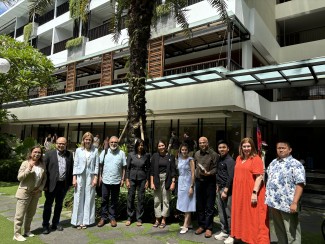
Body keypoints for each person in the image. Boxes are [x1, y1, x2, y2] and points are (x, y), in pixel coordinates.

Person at [265, 141, 306, 244]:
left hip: (288, 204)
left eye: (283, 148)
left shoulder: (296, 164)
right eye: (279, 148)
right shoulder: (274, 162)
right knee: (279, 229)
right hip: (274, 203)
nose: (281, 150)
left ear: (290, 150)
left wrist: (295, 202)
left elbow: (300, 184)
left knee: (292, 232)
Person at [231, 137, 269, 244]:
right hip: (240, 192)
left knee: (254, 218)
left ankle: (256, 240)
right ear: (241, 147)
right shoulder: (239, 158)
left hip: (252, 192)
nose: (246, 148)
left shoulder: (256, 159)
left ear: (252, 147)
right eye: (244, 146)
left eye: (248, 146)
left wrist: (254, 193)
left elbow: (259, 177)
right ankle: (244, 237)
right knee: (243, 215)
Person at [13, 146, 47, 241]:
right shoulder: (25, 163)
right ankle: (16, 234)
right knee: (20, 215)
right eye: (35, 152)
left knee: (30, 214)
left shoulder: (42, 164)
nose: (37, 154)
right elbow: (19, 178)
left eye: (39, 152)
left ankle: (27, 231)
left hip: (35, 193)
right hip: (24, 192)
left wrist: (40, 189)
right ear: (31, 153)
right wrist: (28, 169)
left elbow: (44, 179)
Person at [42, 137, 74, 234]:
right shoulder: (48, 154)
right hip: (51, 185)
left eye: (63, 144)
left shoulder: (69, 155)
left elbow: (71, 170)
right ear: (56, 144)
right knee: (48, 205)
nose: (61, 145)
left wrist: (69, 184)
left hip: (63, 185)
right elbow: (45, 171)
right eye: (59, 143)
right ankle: (45, 225)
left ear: (66, 144)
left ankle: (55, 223)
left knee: (59, 205)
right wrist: (45, 185)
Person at [71, 132, 99, 229]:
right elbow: (75, 164)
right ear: (83, 140)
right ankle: (78, 221)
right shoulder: (79, 150)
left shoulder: (95, 151)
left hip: (90, 176)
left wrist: (95, 178)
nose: (87, 141)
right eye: (86, 139)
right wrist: (74, 178)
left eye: (89, 139)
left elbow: (96, 165)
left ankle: (86, 221)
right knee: (78, 196)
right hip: (80, 175)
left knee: (89, 197)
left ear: (92, 141)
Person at [97, 136, 126, 228]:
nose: (113, 144)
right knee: (104, 200)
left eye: (115, 142)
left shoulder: (121, 153)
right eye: (112, 142)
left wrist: (123, 179)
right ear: (109, 143)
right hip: (105, 180)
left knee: (114, 201)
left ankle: (112, 218)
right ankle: (103, 218)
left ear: (118, 143)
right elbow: (100, 165)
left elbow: (124, 167)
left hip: (116, 181)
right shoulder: (104, 152)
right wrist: (100, 176)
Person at [194, 136, 219, 238]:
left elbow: (216, 168)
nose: (202, 144)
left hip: (209, 182)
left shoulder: (214, 154)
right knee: (200, 205)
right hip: (199, 182)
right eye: (200, 143)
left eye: (204, 142)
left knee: (209, 206)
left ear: (207, 143)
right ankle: (201, 225)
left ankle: (209, 228)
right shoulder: (196, 154)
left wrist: (209, 173)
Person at [150, 140, 176, 228]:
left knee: (166, 200)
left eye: (162, 145)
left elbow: (173, 171)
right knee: (156, 200)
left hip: (167, 179)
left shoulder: (170, 156)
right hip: (157, 179)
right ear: (157, 147)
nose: (161, 147)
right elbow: (152, 171)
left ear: (165, 146)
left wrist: (173, 182)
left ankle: (164, 219)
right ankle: (157, 219)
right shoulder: (155, 156)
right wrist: (152, 182)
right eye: (159, 146)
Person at [125, 138, 150, 227]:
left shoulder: (146, 155)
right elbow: (127, 168)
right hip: (132, 178)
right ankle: (129, 217)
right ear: (136, 146)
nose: (140, 147)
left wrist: (147, 180)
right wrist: (127, 179)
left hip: (142, 179)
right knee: (130, 197)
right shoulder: (131, 155)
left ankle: (139, 218)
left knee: (141, 198)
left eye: (142, 145)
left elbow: (148, 169)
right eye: (139, 145)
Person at [214, 140, 235, 243]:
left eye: (223, 147)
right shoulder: (220, 159)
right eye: (219, 148)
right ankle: (224, 231)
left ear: (228, 149)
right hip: (219, 188)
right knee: (221, 212)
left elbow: (231, 177)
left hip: (227, 190)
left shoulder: (230, 161)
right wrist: (217, 186)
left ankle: (232, 234)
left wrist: (225, 191)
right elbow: (219, 174)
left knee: (228, 212)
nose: (221, 149)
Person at [176, 143, 196, 234]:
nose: (184, 151)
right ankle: (190, 223)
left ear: (188, 151)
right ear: (180, 150)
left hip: (188, 183)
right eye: (182, 150)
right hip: (181, 182)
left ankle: (185, 225)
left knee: (188, 204)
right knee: (184, 203)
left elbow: (193, 174)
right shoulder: (179, 159)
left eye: (185, 150)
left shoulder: (190, 160)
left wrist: (192, 186)